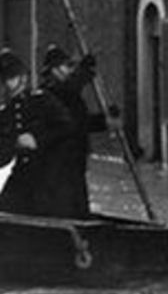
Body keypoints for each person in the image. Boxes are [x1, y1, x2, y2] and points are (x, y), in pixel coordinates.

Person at [0, 49, 76, 216]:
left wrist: (37, 139)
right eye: (10, 79)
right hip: (23, 176)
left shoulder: (43, 100)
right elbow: (5, 153)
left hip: (50, 177)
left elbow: (67, 128)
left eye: (20, 76)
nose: (18, 82)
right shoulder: (5, 113)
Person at [39, 44, 118, 218]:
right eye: (65, 66)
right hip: (57, 160)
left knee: (78, 204)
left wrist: (104, 119)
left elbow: (80, 123)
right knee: (65, 204)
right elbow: (67, 92)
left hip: (74, 157)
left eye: (70, 67)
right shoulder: (48, 93)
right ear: (53, 70)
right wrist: (84, 72)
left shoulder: (70, 94)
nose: (69, 70)